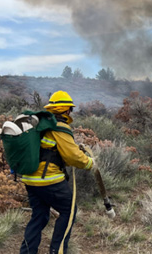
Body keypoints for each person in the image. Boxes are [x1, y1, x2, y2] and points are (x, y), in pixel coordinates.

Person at [20, 90, 94, 254]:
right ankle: (57, 251)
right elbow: (73, 157)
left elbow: (53, 153)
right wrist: (90, 163)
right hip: (49, 180)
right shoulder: (59, 126)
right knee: (68, 211)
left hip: (30, 180)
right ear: (67, 110)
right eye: (70, 109)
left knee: (39, 216)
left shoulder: (39, 124)